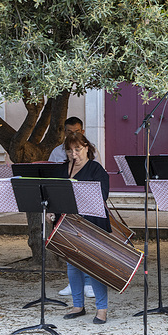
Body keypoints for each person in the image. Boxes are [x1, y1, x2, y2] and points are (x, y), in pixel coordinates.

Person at [54, 132, 110, 324]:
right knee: (73, 266)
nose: (74, 154)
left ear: (87, 148)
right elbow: (54, 193)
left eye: (78, 149)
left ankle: (101, 309)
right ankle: (78, 305)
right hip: (69, 224)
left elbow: (102, 196)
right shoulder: (63, 169)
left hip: (91, 225)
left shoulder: (96, 169)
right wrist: (51, 211)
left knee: (94, 267)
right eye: (70, 151)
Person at [48, 116, 94, 298]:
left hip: (84, 203)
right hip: (64, 204)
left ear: (82, 132)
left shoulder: (87, 149)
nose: (72, 135)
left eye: (76, 132)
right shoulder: (56, 152)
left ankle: (89, 282)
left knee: (86, 245)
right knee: (69, 247)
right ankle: (73, 283)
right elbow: (51, 177)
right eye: (69, 132)